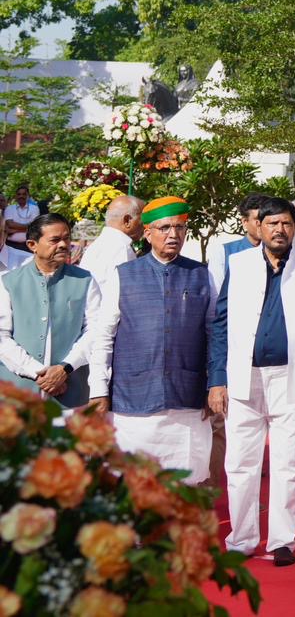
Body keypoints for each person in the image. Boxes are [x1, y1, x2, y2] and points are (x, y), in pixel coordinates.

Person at [208, 197, 295, 567]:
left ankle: (282, 541)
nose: (280, 230)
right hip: (244, 377)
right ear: (258, 227)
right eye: (272, 223)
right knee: (240, 462)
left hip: (294, 376)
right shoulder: (239, 264)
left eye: (286, 223)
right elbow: (220, 323)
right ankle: (241, 540)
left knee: (289, 462)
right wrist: (217, 379)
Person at [89, 197, 217, 484]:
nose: (173, 235)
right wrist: (98, 389)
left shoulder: (201, 275)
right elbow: (103, 336)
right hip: (133, 398)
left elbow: (215, 333)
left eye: (180, 228)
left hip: (187, 398)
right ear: (147, 233)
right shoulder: (124, 275)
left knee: (185, 483)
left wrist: (215, 383)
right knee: (134, 482)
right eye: (165, 228)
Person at [0, 213, 100, 407]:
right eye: (55, 240)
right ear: (32, 245)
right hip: (18, 392)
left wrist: (65, 368)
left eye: (66, 238)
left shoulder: (85, 280)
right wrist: (38, 373)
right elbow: (2, 336)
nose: (63, 245)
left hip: (71, 389)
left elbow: (94, 330)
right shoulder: (8, 282)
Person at [78, 194, 144, 285]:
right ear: (127, 221)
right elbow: (125, 289)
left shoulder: (98, 244)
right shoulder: (122, 248)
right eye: (143, 219)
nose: (145, 226)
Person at [208, 193, 268, 285]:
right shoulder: (224, 252)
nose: (262, 224)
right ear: (244, 222)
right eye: (257, 219)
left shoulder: (281, 252)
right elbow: (216, 291)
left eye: (266, 219)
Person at [4, 184, 39, 250]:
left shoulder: (34, 208)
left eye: (24, 194)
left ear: (28, 196)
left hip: (29, 245)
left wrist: (14, 230)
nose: (21, 196)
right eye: (19, 194)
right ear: (16, 196)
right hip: (11, 245)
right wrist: (28, 227)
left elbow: (34, 225)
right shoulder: (9, 208)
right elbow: (10, 224)